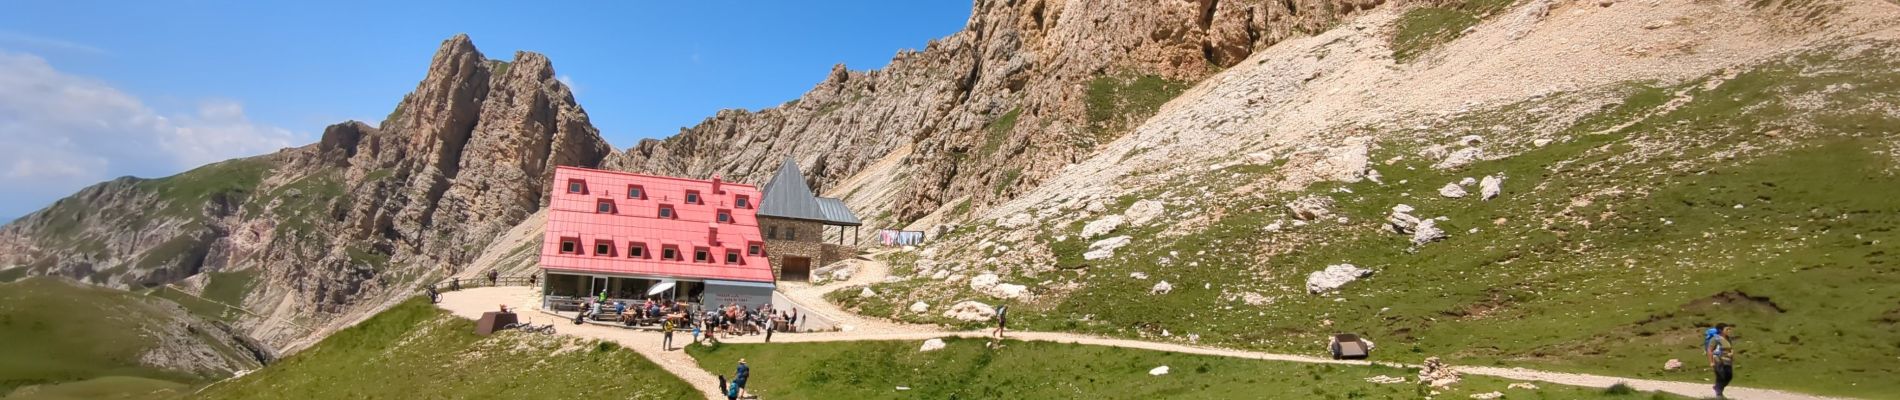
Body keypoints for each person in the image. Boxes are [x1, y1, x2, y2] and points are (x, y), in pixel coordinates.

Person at [1707, 323, 1736, 398]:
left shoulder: (1728, 339)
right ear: (1720, 330)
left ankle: (1718, 388)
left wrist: (1732, 354)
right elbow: (1710, 350)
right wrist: (1711, 362)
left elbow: (1730, 349)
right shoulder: (1715, 339)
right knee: (1721, 376)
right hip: (1718, 360)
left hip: (1727, 361)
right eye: (1727, 329)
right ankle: (1719, 394)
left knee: (1729, 376)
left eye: (1729, 329)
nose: (1729, 331)